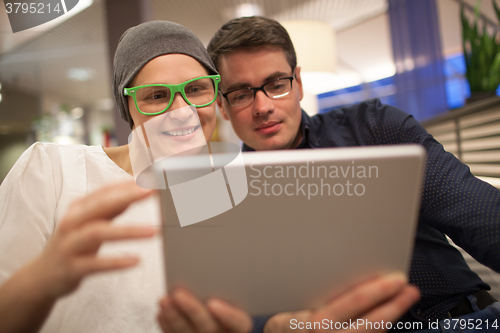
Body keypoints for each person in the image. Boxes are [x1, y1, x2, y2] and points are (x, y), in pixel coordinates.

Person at [0, 20, 418, 333]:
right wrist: (44, 278)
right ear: (128, 108)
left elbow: (260, 315)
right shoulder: (52, 168)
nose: (180, 111)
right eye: (157, 96)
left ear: (215, 99)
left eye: (196, 90)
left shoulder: (230, 196)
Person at [205, 16, 500, 332]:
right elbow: (227, 304)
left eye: (277, 84)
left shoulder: (375, 128)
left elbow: (481, 217)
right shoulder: (222, 196)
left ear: (299, 84)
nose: (262, 106)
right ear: (223, 106)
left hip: (455, 320)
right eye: (240, 93)